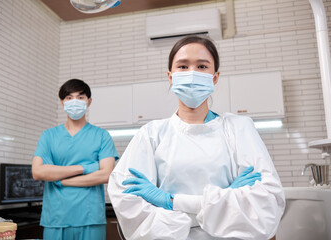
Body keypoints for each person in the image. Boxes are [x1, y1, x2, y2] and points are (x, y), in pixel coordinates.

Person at [107, 36, 285, 240]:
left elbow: (268, 203)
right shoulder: (151, 134)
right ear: (170, 76)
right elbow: (128, 202)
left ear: (215, 76)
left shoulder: (239, 128)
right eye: (182, 67)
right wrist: (221, 202)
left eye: (202, 66)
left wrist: (170, 202)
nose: (192, 74)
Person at [32, 79, 119, 240]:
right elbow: (38, 172)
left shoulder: (101, 136)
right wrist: (86, 168)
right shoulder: (49, 136)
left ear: (89, 101)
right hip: (56, 219)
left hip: (90, 218)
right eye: (69, 97)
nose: (75, 102)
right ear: (62, 102)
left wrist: (61, 180)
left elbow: (106, 175)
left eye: (80, 97)